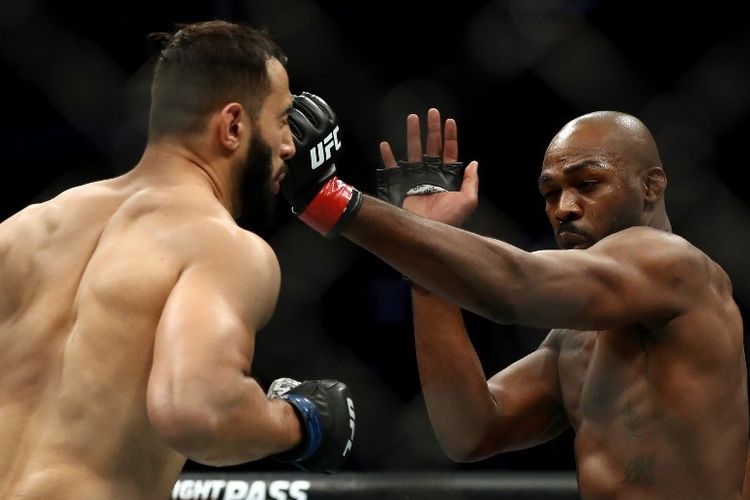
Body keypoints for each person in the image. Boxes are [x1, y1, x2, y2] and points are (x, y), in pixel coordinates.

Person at [281, 99, 748, 498]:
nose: (563, 209)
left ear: (651, 186)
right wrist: (425, 261)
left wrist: (330, 198)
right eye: (550, 192)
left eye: (588, 184)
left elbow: (517, 287)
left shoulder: (673, 264)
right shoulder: (573, 341)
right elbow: (470, 431)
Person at [0, 21, 356, 500]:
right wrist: (303, 422)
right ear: (232, 126)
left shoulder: (24, 228)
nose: (291, 146)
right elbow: (197, 410)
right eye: (281, 121)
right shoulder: (223, 247)